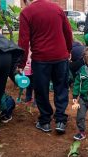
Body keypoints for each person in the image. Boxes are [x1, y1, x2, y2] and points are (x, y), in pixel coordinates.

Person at [18, 0, 73, 133]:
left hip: (41, 59)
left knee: (41, 90)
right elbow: (68, 31)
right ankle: (60, 121)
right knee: (61, 87)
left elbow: (23, 40)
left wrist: (21, 63)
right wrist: (68, 50)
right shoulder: (57, 8)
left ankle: (45, 122)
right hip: (60, 57)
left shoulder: (26, 12)